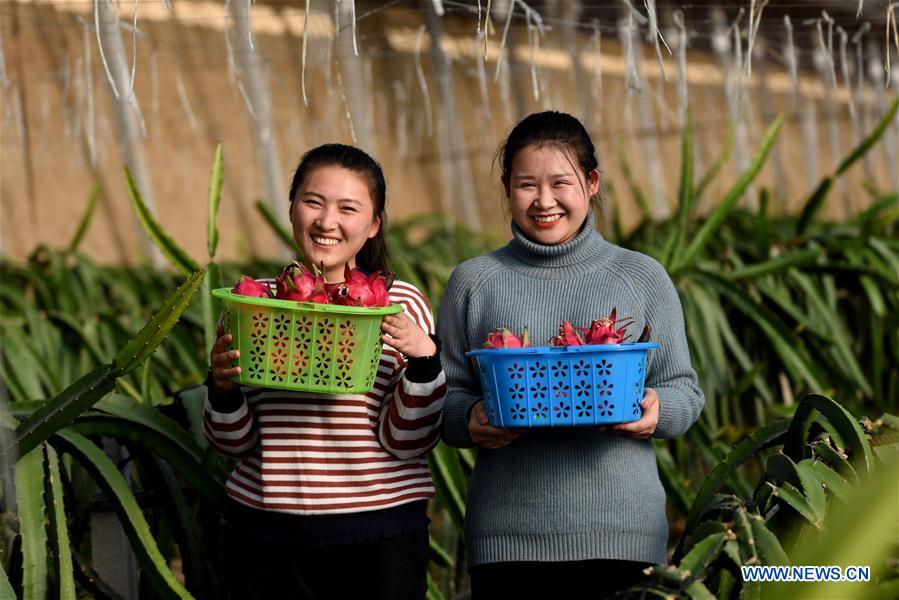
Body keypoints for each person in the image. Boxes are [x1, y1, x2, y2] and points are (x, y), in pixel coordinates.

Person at [437, 111, 704, 599]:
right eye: (525, 185)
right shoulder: (473, 282)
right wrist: (471, 416)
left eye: (561, 183)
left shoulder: (640, 276)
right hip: (509, 541)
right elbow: (445, 398)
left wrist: (654, 411)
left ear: (592, 182)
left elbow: (684, 390)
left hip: (624, 534)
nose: (544, 201)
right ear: (506, 187)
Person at [205, 144, 445, 600]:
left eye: (348, 209)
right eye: (313, 202)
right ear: (292, 206)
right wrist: (222, 388)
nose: (326, 221)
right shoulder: (252, 303)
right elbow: (232, 443)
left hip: (380, 532)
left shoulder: (401, 306)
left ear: (373, 224)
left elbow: (408, 441)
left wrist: (425, 360)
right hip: (264, 533)